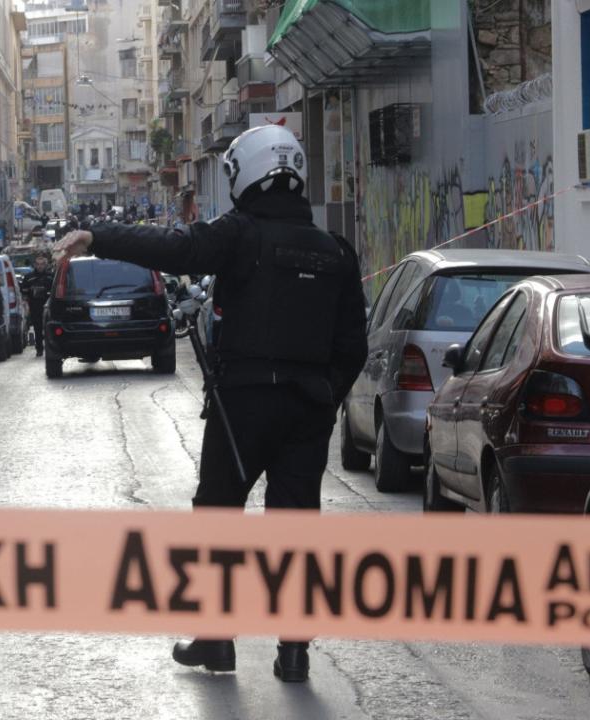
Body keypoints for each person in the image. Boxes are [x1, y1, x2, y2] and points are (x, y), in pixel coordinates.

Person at [55, 125, 368, 681]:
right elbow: (353, 346)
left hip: (242, 405)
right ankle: (295, 650)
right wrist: (324, 398)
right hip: (307, 411)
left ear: (246, 174)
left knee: (218, 515)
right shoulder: (336, 251)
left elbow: (175, 248)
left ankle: (217, 639)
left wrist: (96, 236)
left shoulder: (239, 234)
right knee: (297, 526)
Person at [20, 252, 55, 356]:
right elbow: (24, 292)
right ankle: (39, 348)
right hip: (35, 307)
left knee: (49, 328)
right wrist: (26, 304)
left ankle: (51, 348)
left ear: (46, 265)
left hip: (49, 307)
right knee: (37, 328)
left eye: (42, 264)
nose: (40, 266)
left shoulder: (51, 277)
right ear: (35, 265)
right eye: (38, 264)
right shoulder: (29, 277)